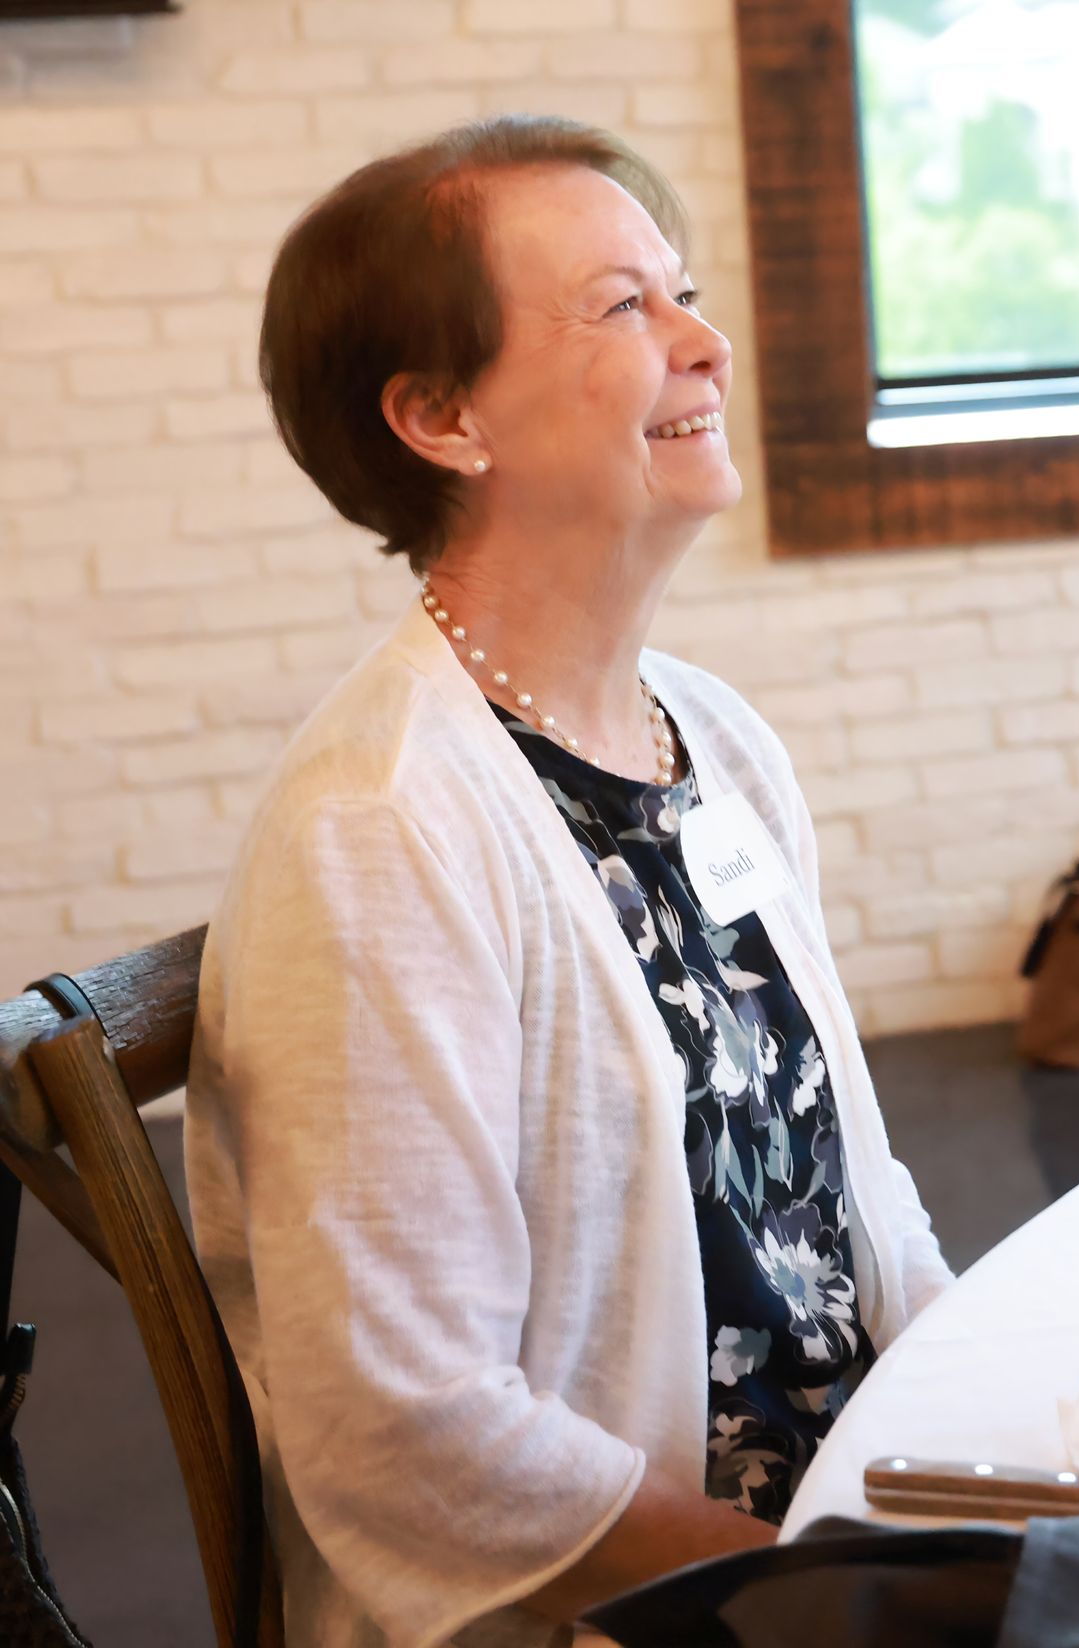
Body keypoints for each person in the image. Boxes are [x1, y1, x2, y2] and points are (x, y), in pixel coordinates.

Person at [184, 116, 952, 1645]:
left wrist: (985, 1445)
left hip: (849, 1519)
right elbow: (412, 1431)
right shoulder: (382, 829)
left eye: (684, 291)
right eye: (624, 307)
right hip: (648, 1602)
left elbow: (851, 1200)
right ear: (440, 417)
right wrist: (807, 1579)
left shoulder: (711, 735)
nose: (706, 343)